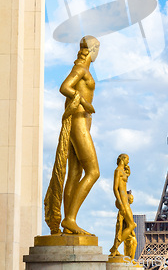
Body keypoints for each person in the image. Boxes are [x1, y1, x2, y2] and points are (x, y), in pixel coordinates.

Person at [44, 35, 100, 235]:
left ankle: (69, 224)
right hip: (79, 122)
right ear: (92, 50)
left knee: (75, 174)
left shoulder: (84, 69)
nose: (97, 53)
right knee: (94, 172)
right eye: (97, 49)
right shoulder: (81, 70)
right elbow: (64, 87)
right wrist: (84, 103)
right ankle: (70, 219)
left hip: (83, 122)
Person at [109, 154, 137, 258]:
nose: (128, 162)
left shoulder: (122, 171)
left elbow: (122, 185)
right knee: (132, 225)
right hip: (123, 202)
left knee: (124, 226)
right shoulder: (118, 171)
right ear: (123, 159)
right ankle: (115, 247)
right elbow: (115, 188)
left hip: (125, 201)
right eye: (128, 159)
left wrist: (127, 174)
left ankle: (115, 247)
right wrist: (119, 201)